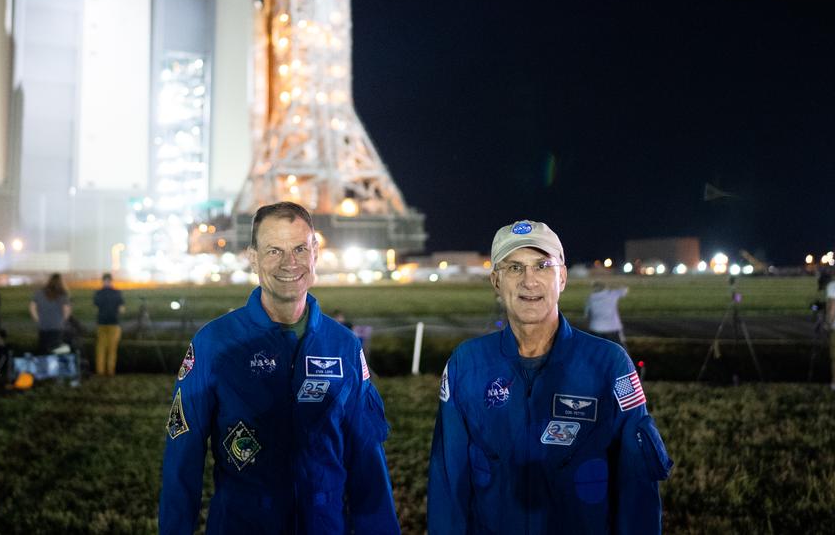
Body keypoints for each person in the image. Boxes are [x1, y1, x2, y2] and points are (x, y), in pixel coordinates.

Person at [160, 201, 398, 533]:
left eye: (300, 248)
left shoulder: (342, 346)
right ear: (253, 257)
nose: (290, 263)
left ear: (316, 252)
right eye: (274, 251)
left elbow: (368, 462)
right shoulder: (214, 343)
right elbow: (182, 461)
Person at [428, 220, 672, 534]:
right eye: (514, 268)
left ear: (563, 277)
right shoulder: (467, 364)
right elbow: (448, 485)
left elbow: (637, 486)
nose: (529, 281)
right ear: (495, 281)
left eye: (542, 265)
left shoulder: (609, 365)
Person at [29, 273, 72, 354]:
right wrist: (62, 320)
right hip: (57, 326)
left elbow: (32, 307)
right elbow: (66, 310)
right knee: (55, 350)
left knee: (43, 349)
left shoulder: (39, 293)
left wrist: (37, 319)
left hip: (43, 325)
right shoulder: (63, 294)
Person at [92, 272, 125, 376]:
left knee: (101, 349)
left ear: (103, 281)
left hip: (101, 323)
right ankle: (110, 371)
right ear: (111, 281)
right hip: (114, 323)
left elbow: (95, 308)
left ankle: (100, 371)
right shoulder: (117, 293)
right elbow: (122, 309)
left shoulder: (98, 293)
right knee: (112, 349)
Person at [584, 281, 630, 346]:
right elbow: (625, 289)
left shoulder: (590, 298)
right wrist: (614, 284)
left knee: (597, 351)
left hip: (595, 328)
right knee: (619, 351)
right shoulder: (612, 294)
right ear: (605, 288)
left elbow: (587, 315)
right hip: (612, 328)